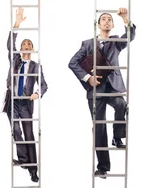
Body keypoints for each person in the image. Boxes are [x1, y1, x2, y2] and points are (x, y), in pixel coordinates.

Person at [68, 8, 134, 177]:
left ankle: (117, 137)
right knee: (99, 127)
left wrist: (125, 18)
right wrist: (87, 78)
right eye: (103, 19)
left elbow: (130, 36)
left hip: (112, 86)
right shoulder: (87, 44)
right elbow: (72, 63)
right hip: (95, 89)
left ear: (112, 25)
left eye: (109, 20)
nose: (106, 21)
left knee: (121, 104)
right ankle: (103, 167)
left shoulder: (116, 42)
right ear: (98, 25)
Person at [3, 7, 48, 183]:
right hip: (12, 101)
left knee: (29, 134)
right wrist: (17, 24)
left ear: (32, 48)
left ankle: (33, 169)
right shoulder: (15, 61)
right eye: (23, 44)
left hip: (25, 103)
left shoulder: (36, 66)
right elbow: (9, 46)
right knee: (15, 131)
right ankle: (23, 160)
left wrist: (37, 93)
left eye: (28, 44)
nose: (26, 45)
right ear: (20, 49)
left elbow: (44, 85)